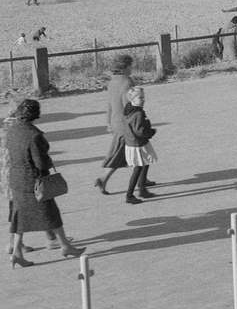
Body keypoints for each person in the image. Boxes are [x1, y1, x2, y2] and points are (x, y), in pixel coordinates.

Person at [5, 98, 83, 266]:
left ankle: (17, 251)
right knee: (51, 213)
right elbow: (40, 163)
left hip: (16, 179)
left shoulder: (12, 130)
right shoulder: (34, 135)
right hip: (32, 181)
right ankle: (65, 245)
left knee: (20, 217)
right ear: (36, 115)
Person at [96, 54, 153, 194]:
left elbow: (109, 104)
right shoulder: (127, 82)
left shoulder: (112, 81)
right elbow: (128, 106)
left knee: (134, 152)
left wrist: (108, 122)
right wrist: (138, 122)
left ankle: (143, 179)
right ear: (125, 67)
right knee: (126, 155)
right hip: (127, 125)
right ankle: (103, 179)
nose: (131, 68)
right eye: (130, 65)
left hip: (116, 122)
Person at [122, 86, 158, 204]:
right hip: (138, 144)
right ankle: (129, 195)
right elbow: (140, 131)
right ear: (132, 98)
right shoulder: (137, 113)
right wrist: (151, 132)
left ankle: (142, 188)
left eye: (143, 97)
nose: (143, 100)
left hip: (133, 142)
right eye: (140, 98)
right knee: (138, 168)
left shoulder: (129, 109)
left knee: (146, 163)